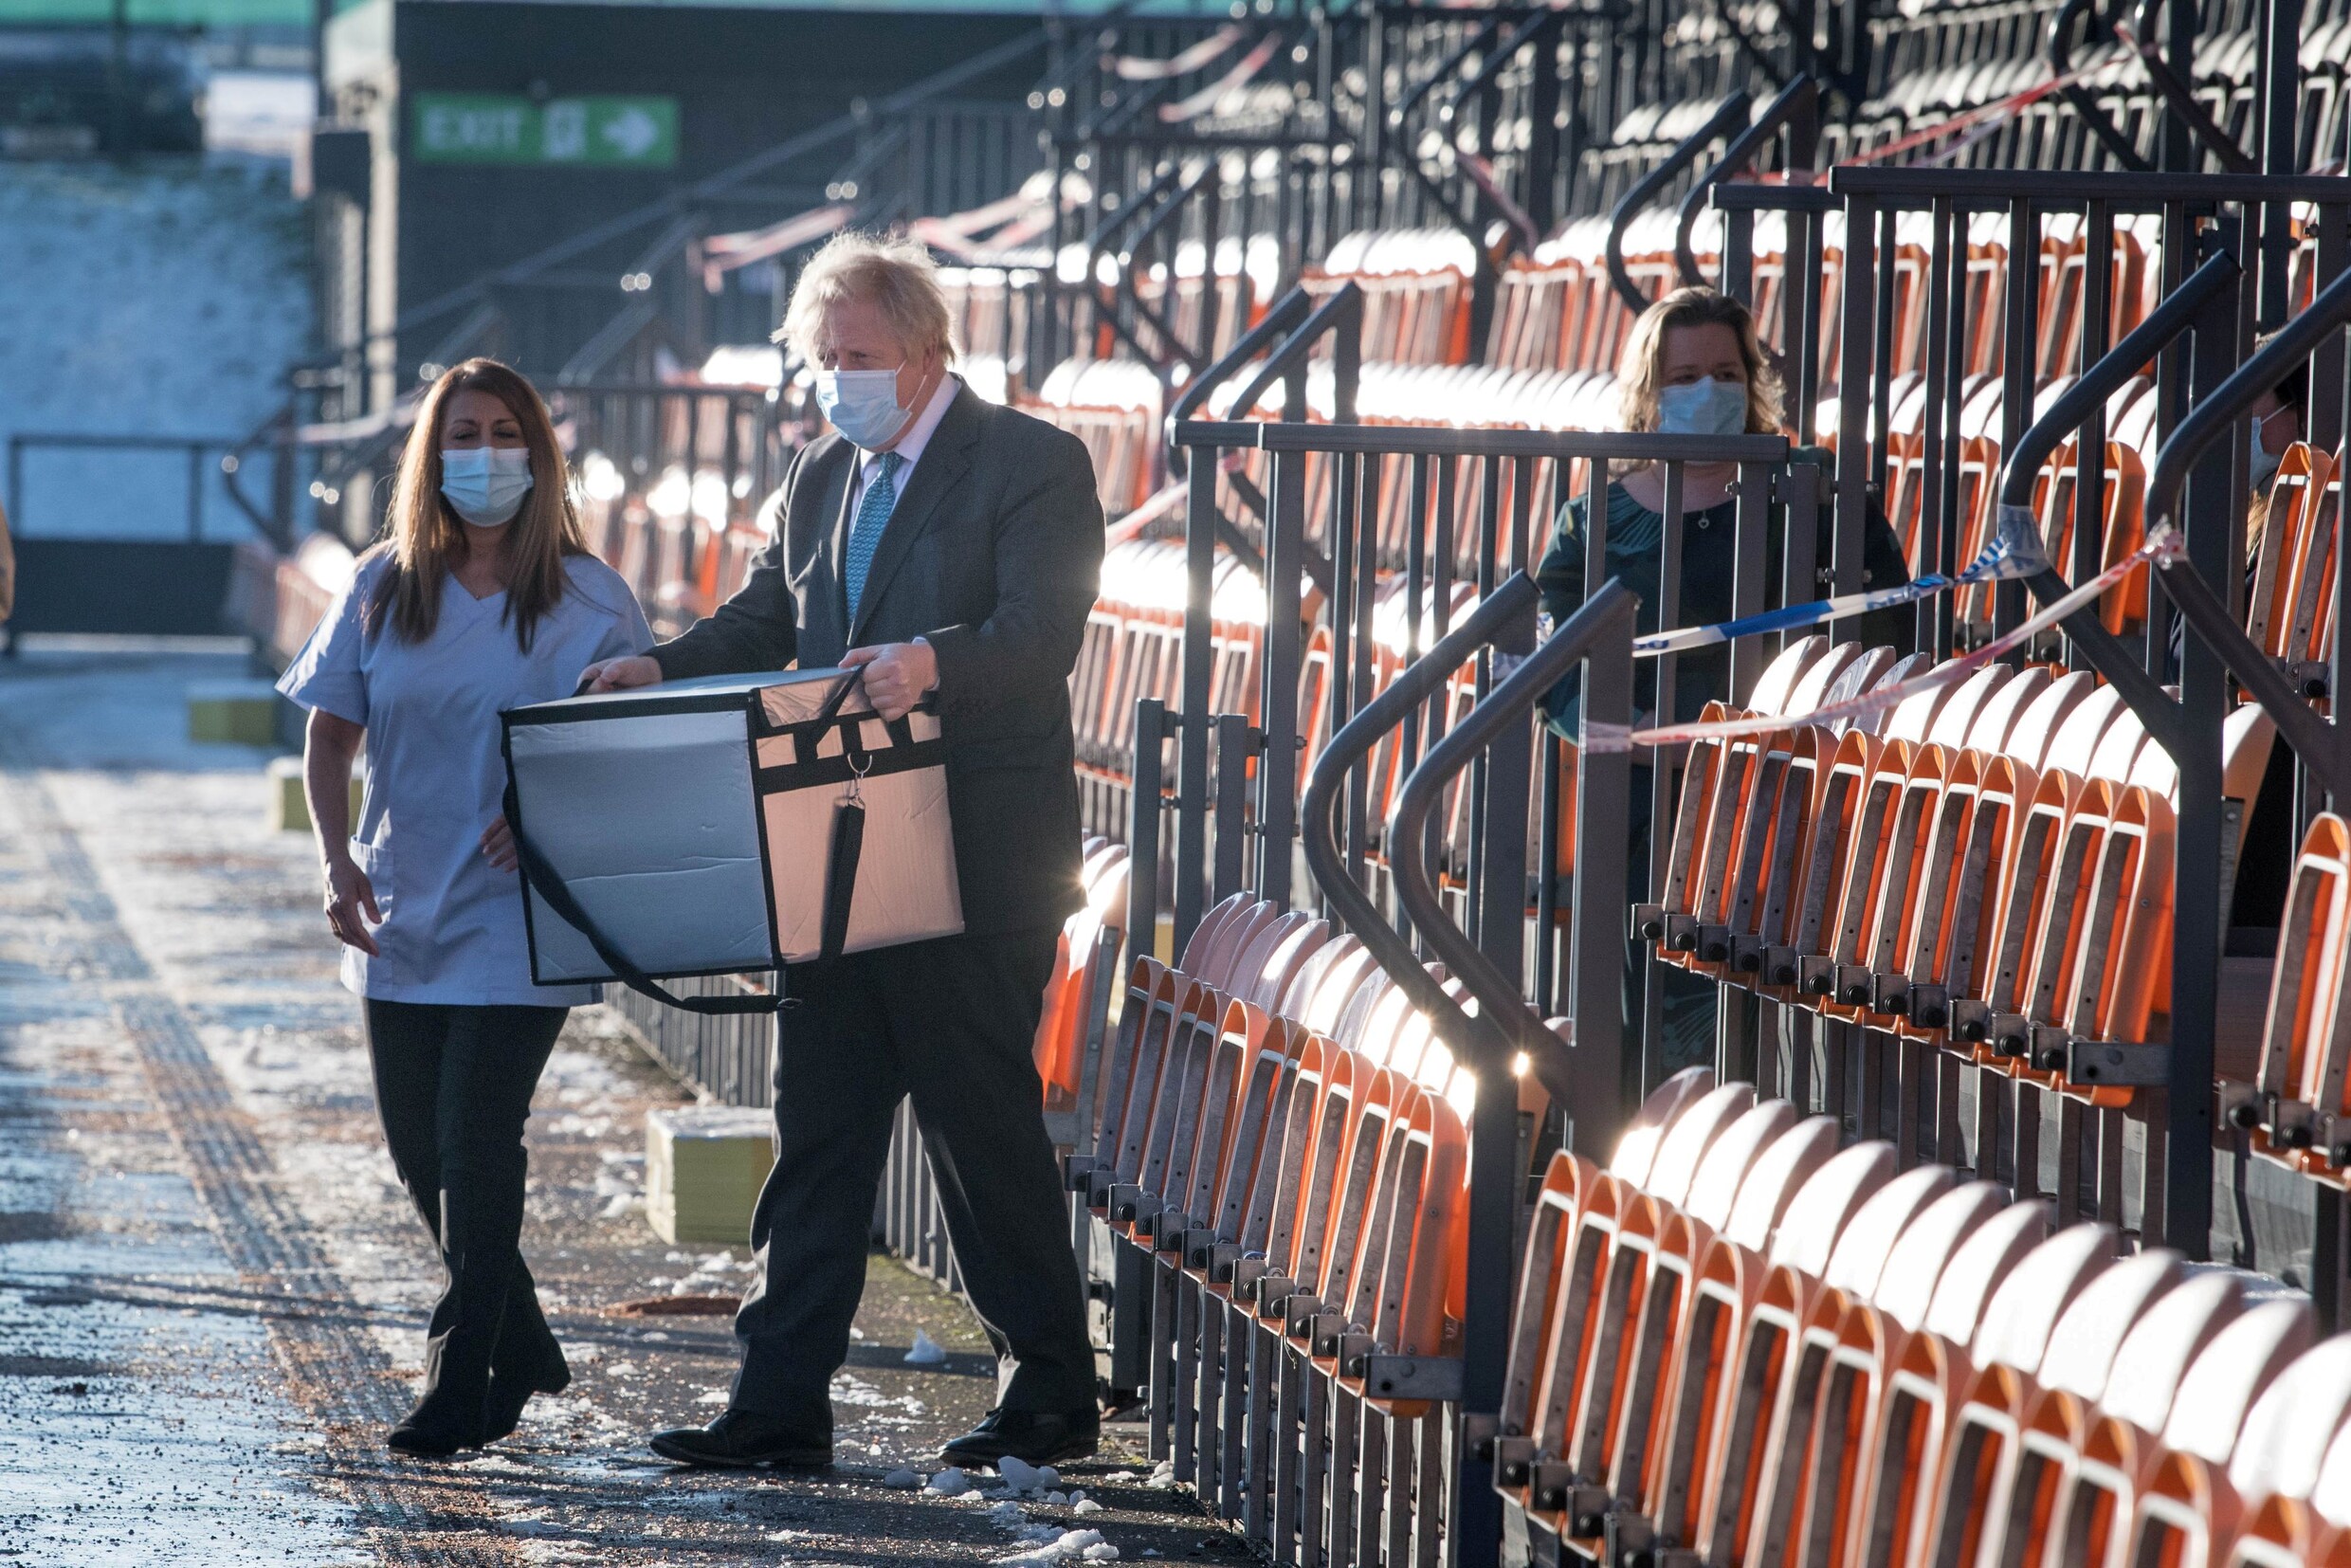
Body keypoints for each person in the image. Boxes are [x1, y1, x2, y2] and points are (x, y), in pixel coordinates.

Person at [581, 231, 1105, 1472]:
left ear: (928, 352)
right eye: (826, 359)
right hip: (839, 849)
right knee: (816, 1123)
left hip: (976, 859)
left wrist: (938, 664)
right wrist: (661, 663)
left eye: (860, 356)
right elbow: (769, 617)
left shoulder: (1033, 464)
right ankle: (776, 1404)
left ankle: (1049, 1393)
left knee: (979, 1127)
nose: (840, 379)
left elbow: (1040, 636)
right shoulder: (820, 474)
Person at [280, 358, 654, 1456]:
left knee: (477, 1140)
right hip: (400, 899)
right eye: (461, 433)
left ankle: (462, 1375)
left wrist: (552, 815)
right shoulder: (381, 584)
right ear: (429, 456)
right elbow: (329, 732)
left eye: (504, 433)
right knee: (418, 1155)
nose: (481, 454)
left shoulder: (592, 598)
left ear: (538, 455)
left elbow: (629, 750)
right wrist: (334, 857)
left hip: (521, 911)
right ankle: (527, 1342)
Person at [1536, 285, 1912, 1070]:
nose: (1707, 391)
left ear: (1753, 380)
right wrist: (1652, 744)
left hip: (1792, 809)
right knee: (1648, 1040)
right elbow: (1552, 675)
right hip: (1645, 812)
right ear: (1648, 390)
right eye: (1682, 377)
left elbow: (1888, 644)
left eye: (1725, 371)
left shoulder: (1821, 497)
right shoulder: (1594, 522)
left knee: (1770, 1043)